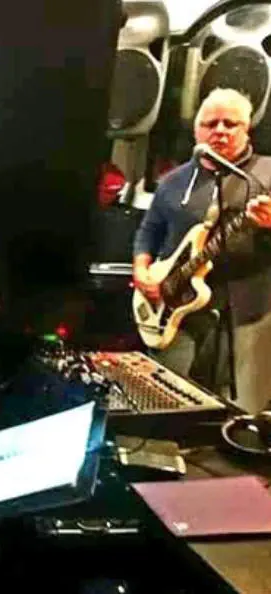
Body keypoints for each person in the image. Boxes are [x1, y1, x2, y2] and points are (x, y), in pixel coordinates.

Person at [132, 87, 271, 413]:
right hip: (174, 309)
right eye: (210, 124)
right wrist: (141, 270)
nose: (220, 131)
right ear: (197, 130)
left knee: (235, 411)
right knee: (165, 400)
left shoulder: (265, 174)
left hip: (245, 313)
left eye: (230, 124)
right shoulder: (174, 181)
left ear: (247, 129)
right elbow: (149, 231)